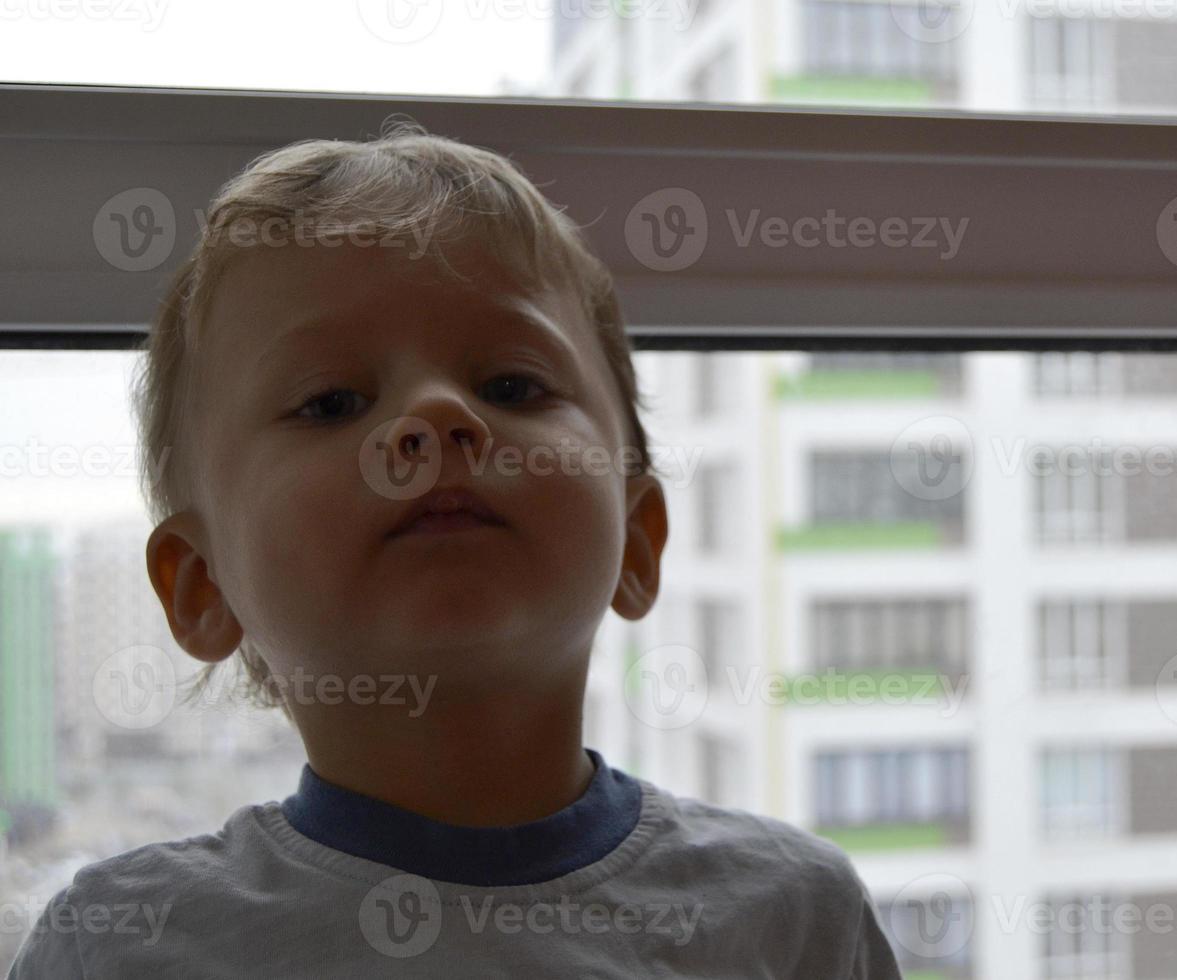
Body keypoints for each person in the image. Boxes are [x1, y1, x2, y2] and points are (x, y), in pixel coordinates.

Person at [7, 117, 903, 978]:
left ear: (636, 538)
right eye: (330, 402)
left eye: (512, 382)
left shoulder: (794, 920)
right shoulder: (125, 949)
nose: (437, 417)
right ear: (202, 584)